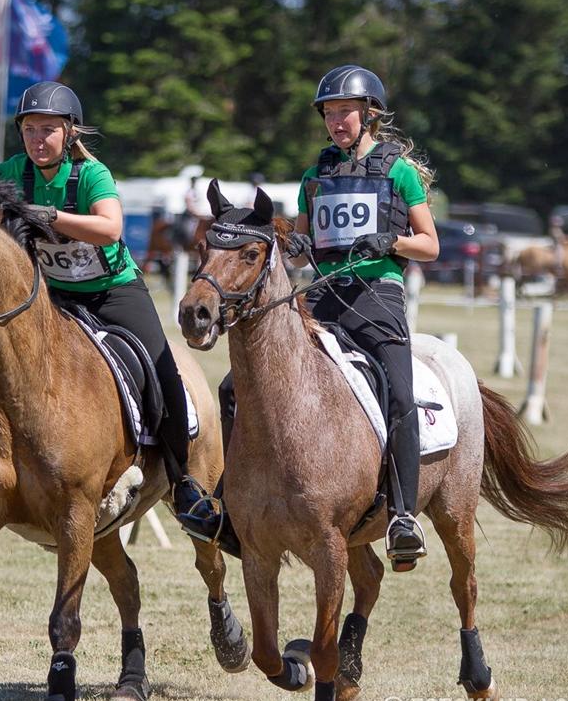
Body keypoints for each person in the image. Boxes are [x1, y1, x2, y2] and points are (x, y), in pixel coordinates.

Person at [0, 81, 213, 532]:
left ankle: (183, 480)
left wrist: (50, 216)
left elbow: (111, 228)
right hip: (51, 297)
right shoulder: (12, 171)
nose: (38, 139)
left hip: (111, 291)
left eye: (48, 129)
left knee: (162, 370)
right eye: (29, 129)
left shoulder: (91, 174)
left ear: (70, 132)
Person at [188, 65, 440, 571]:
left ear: (368, 115)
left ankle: (404, 515)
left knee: (397, 389)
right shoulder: (315, 175)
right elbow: (301, 251)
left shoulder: (398, 171)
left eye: (344, 112)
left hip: (377, 297)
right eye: (329, 114)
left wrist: (390, 241)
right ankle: (229, 506)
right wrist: (297, 244)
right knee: (234, 388)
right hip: (322, 297)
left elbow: (430, 246)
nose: (335, 122)